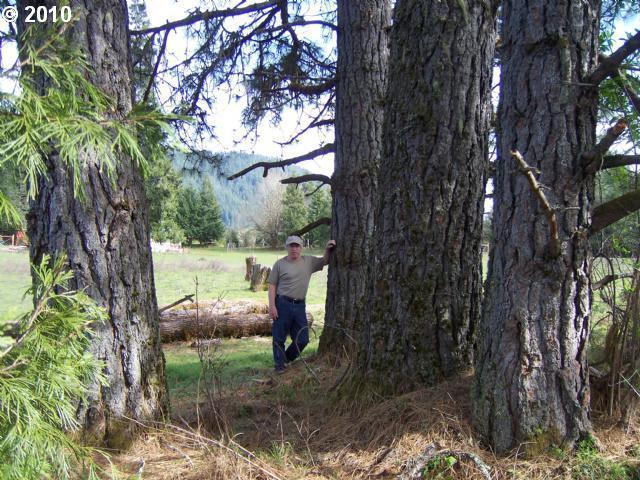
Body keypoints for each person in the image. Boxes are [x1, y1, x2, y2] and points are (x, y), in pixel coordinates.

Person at [268, 235, 336, 374]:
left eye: (297, 246)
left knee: (303, 339)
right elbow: (272, 285)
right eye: (291, 246)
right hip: (282, 304)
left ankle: (286, 358)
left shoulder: (308, 261)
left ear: (301, 248)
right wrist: (272, 306)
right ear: (287, 247)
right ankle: (279, 366)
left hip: (300, 306)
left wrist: (327, 249)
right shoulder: (280, 264)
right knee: (279, 337)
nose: (294, 248)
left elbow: (325, 261)